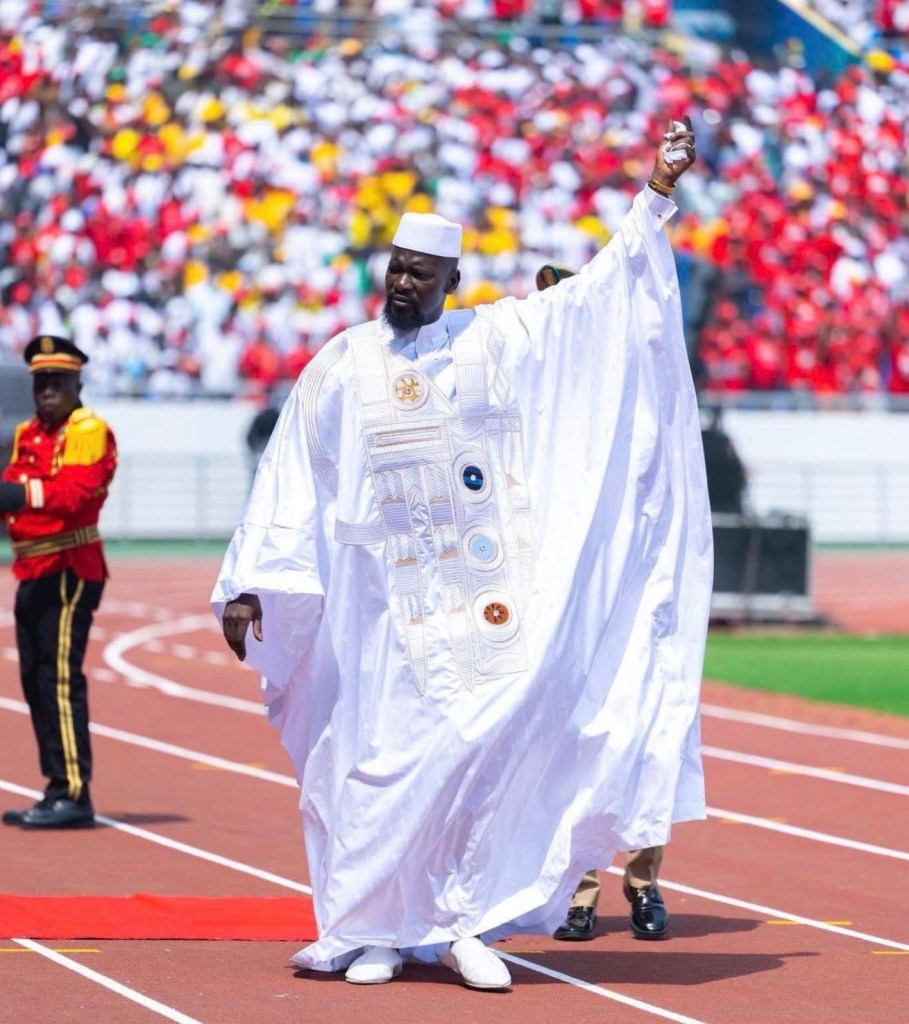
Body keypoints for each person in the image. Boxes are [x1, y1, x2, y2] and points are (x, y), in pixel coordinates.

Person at [214, 118, 711, 989]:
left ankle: (458, 923)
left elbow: (591, 303)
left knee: (472, 760)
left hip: (475, 601)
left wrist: (655, 195)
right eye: (396, 268)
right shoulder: (341, 363)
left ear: (450, 280)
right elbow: (290, 473)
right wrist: (255, 583)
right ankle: (372, 929)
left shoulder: (492, 339)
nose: (403, 283)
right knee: (366, 766)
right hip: (371, 609)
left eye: (421, 272)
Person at [536, 261, 671, 944]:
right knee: (576, 740)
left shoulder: (642, 385)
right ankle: (578, 892)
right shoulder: (552, 395)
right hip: (573, 592)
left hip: (638, 584)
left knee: (647, 736)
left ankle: (644, 883)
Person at [0, 336, 117, 830]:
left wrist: (13, 494)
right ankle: (56, 787)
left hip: (69, 569)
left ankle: (73, 792)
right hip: (31, 570)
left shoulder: (88, 430)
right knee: (35, 681)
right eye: (40, 383)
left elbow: (72, 496)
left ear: (77, 385)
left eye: (57, 382)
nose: (47, 391)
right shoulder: (27, 433)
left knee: (59, 680)